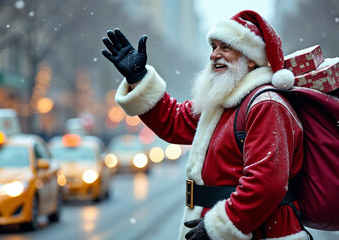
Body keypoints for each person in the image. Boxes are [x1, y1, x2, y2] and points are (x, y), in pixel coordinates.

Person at [102, 10, 307, 240]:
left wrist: (219, 227)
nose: (214, 55)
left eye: (225, 48)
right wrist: (138, 78)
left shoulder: (267, 105)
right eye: (213, 47)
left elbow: (266, 184)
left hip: (258, 232)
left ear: (251, 58)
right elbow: (173, 121)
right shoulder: (223, 103)